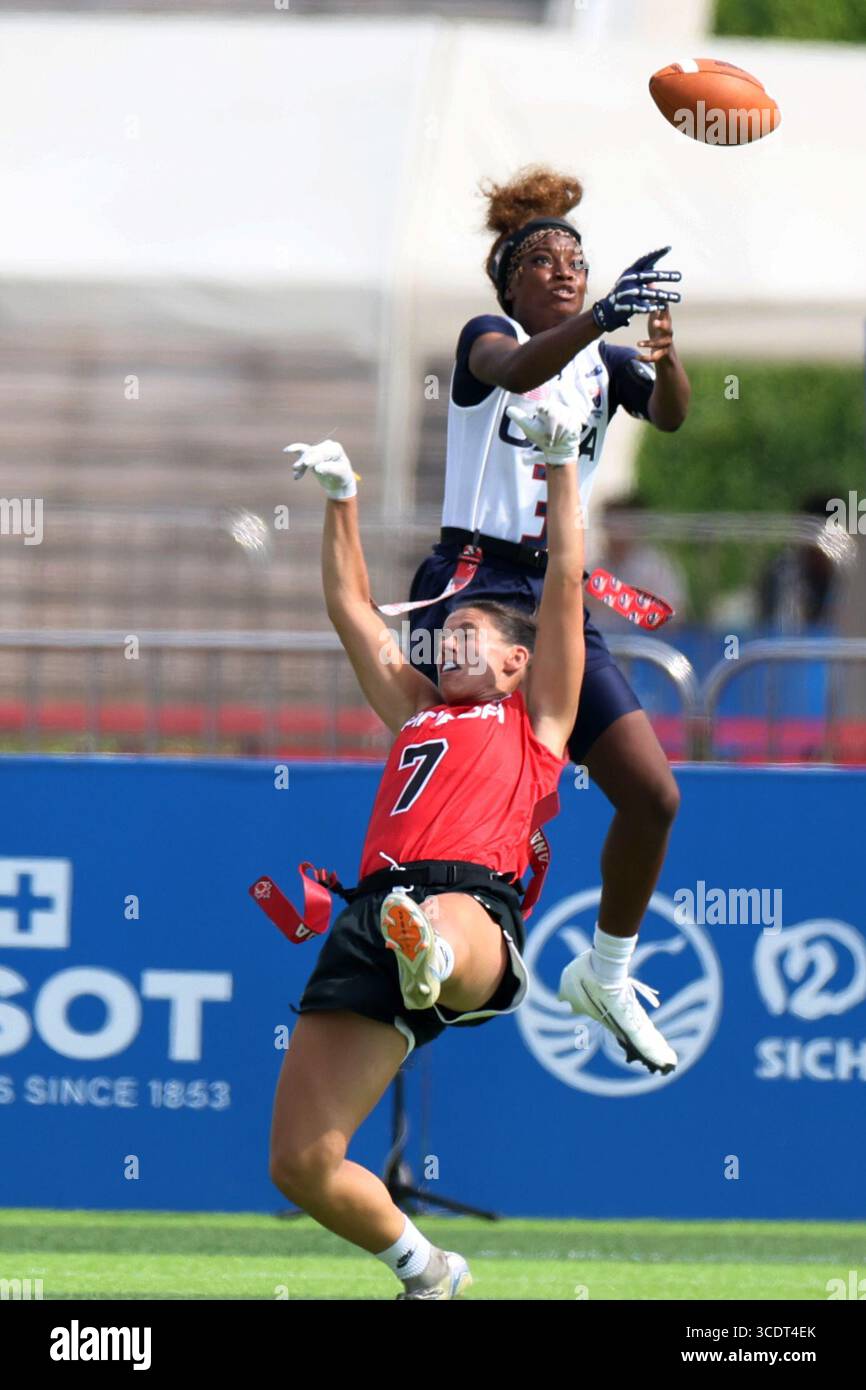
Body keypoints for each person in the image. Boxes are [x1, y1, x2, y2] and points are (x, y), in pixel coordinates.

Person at [271, 401, 587, 1300]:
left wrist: (561, 468)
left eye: (470, 634)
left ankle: (432, 956)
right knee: (300, 1161)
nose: (448, 638)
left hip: (473, 912)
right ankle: (427, 1269)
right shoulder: (416, 710)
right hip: (376, 916)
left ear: (517, 662)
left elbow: (564, 583)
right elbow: (350, 610)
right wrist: (343, 497)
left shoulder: (538, 724)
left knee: (439, 921)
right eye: (445, 632)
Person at [407, 165, 691, 1072]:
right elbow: (520, 364)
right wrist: (605, 315)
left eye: (577, 257)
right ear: (510, 281)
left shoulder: (604, 364)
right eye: (544, 258)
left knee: (653, 795)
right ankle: (438, 931)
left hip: (557, 589)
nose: (566, 267)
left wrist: (666, 349)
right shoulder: (489, 337)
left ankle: (604, 973)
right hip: (471, 579)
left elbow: (673, 414)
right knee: (490, 771)